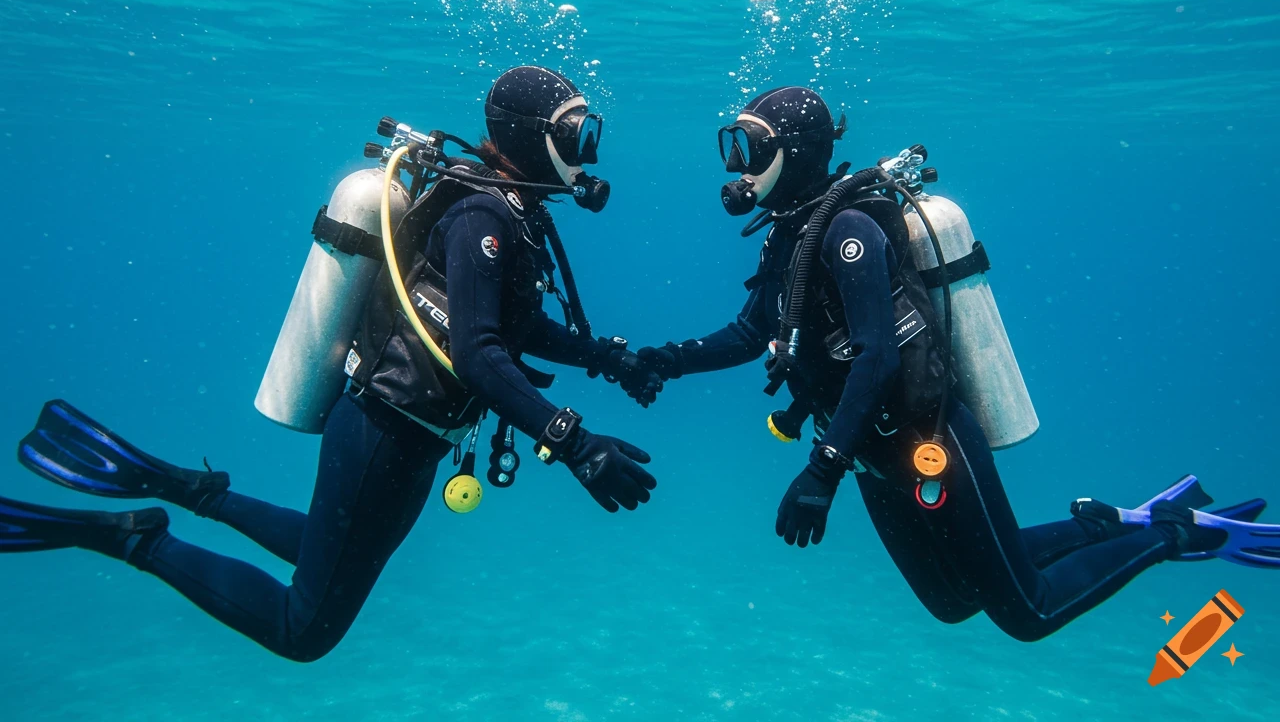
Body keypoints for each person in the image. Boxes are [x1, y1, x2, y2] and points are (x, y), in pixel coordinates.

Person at [0, 65, 661, 661]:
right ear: (530, 137)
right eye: (575, 133)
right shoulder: (482, 215)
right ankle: (134, 540)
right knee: (304, 630)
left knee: (336, 547)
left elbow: (510, 326)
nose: (587, 152)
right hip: (386, 431)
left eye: (588, 133)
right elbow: (478, 355)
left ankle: (199, 494)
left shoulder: (511, 213)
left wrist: (608, 358)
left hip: (409, 437)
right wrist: (572, 442)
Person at [635, 85, 1278, 642]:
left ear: (794, 153)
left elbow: (879, 356)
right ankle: (1100, 524)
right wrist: (664, 361)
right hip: (867, 454)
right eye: (734, 147)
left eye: (750, 148)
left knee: (1028, 612)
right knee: (950, 602)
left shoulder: (846, 231)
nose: (737, 166)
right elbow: (752, 332)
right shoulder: (790, 235)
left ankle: (1171, 533)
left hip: (928, 439)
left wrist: (821, 470)